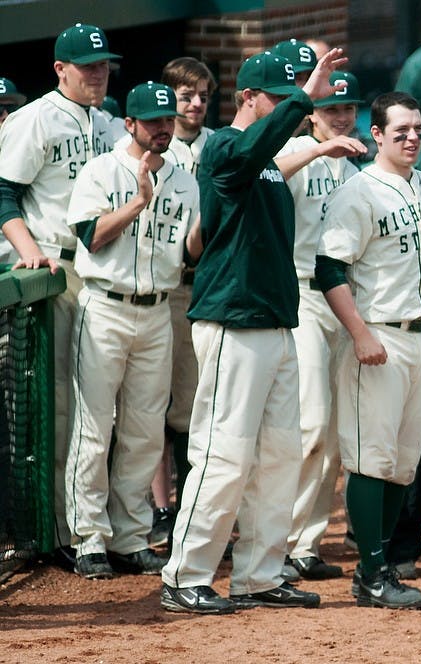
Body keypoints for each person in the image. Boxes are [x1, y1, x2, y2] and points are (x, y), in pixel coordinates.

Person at [160, 49, 346, 614]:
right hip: (231, 318)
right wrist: (304, 102)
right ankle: (184, 573)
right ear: (248, 98)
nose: (282, 110)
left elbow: (270, 160)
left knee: (279, 455)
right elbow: (251, 151)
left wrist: (315, 143)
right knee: (224, 452)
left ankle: (261, 575)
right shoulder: (221, 145)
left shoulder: (263, 159)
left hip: (274, 319)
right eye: (274, 98)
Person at [315, 91, 421, 609]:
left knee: (404, 464)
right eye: (399, 130)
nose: (410, 138)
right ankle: (372, 571)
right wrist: (360, 334)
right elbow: (329, 270)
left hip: (419, 338)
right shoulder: (359, 193)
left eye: (417, 130)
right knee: (371, 460)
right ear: (375, 134)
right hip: (377, 337)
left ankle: (376, 572)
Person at [0, 23, 126, 571]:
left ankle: (96, 525)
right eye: (87, 66)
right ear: (60, 69)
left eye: (102, 65)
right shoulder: (34, 119)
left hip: (108, 271)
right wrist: (27, 249)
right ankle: (60, 530)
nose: (97, 73)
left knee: (104, 411)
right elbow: (4, 191)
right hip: (62, 267)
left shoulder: (110, 122)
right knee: (61, 408)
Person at [63, 81, 199, 579]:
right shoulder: (100, 170)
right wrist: (139, 202)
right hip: (105, 306)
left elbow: (190, 253)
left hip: (158, 310)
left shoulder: (185, 180)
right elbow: (91, 238)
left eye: (168, 120)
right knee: (95, 427)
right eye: (153, 121)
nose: (163, 128)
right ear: (130, 124)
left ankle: (130, 536)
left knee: (144, 432)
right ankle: (89, 537)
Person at [274, 70, 367, 581]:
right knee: (310, 424)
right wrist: (314, 151)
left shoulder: (356, 170)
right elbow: (264, 175)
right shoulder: (295, 154)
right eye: (333, 108)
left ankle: (306, 544)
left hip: (345, 301)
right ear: (312, 113)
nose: (342, 116)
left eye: (349, 108)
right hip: (303, 297)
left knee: (332, 432)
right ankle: (281, 541)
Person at [147, 56, 218, 549]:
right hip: (164, 285)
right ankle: (160, 508)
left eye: (203, 97)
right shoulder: (154, 150)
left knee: (195, 405)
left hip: (207, 283)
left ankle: (192, 507)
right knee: (156, 404)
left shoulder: (217, 145)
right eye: (186, 96)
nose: (195, 105)